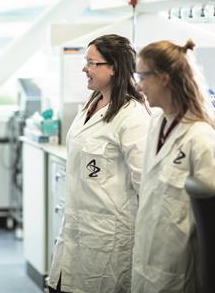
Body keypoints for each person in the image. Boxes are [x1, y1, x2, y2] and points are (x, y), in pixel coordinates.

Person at [48, 34, 150, 293]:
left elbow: (145, 185)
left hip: (109, 236)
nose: (85, 69)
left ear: (114, 68)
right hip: (76, 228)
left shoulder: (133, 117)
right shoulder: (92, 103)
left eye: (92, 63)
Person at [132, 39, 215, 292]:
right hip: (147, 255)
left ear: (163, 78)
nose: (138, 85)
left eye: (142, 76)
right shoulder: (157, 123)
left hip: (179, 266)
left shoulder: (200, 136)